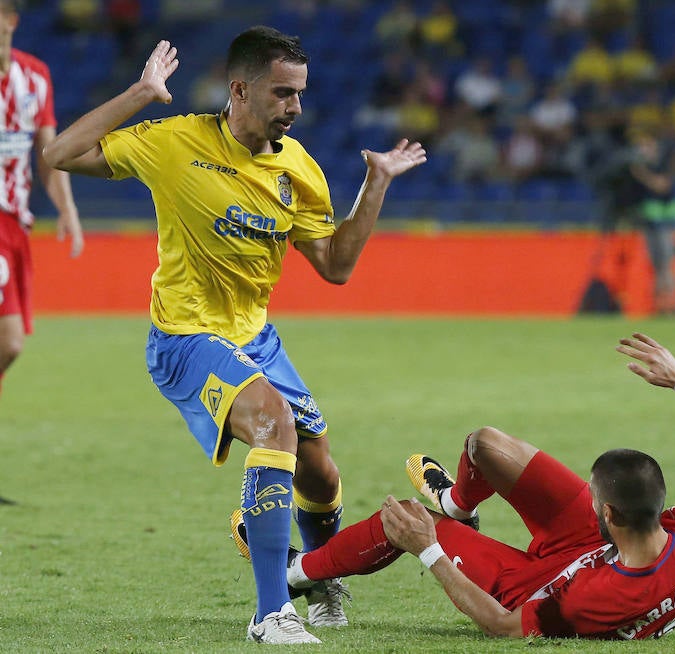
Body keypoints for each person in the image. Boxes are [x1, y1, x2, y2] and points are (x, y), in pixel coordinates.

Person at [42, 27, 426, 644]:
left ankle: (318, 580)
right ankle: (271, 612)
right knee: (274, 423)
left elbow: (337, 267)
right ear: (239, 90)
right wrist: (142, 92)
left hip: (256, 339)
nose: (295, 107)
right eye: (281, 94)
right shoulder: (173, 142)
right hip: (184, 337)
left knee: (321, 471)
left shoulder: (299, 168)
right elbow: (60, 154)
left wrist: (376, 183)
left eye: (299, 94)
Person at [232, 332, 675, 640]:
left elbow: (501, 625)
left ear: (608, 511)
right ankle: (458, 503)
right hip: (595, 549)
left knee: (401, 522)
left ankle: (290, 574)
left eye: (591, 492)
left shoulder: (593, 602)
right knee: (486, 446)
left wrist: (430, 552)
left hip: (535, 583)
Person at [0, 0, 83, 411]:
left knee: (9, 343)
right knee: (10, 341)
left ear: (11, 22)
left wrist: (67, 208)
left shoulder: (35, 77)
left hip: (17, 223)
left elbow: (52, 156)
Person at [627, 132, 675, 316]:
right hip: (650, 222)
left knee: (667, 265)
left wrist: (640, 174)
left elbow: (661, 185)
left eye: (647, 145)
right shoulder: (645, 167)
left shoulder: (665, 164)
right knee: (656, 267)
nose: (643, 150)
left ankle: (673, 305)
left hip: (666, 222)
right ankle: (660, 306)